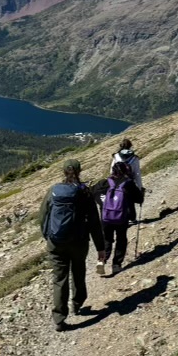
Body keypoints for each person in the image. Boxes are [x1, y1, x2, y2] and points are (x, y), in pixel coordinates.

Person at [39, 159, 105, 332]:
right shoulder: (85, 192)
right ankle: (77, 303)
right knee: (78, 271)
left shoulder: (53, 191)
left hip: (55, 242)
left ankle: (59, 318)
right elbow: (94, 222)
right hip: (78, 242)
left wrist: (48, 236)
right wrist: (100, 247)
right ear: (79, 170)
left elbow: (43, 216)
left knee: (59, 279)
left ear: (63, 172)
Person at [99, 161, 144, 275]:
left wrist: (103, 204)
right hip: (121, 217)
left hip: (106, 217)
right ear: (125, 171)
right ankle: (116, 264)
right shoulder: (128, 183)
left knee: (107, 239)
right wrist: (141, 193)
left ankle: (102, 260)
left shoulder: (104, 183)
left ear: (113, 171)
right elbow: (139, 199)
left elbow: (94, 193)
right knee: (121, 239)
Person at [110, 138, 143, 221]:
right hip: (129, 182)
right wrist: (140, 187)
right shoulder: (134, 158)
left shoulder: (116, 156)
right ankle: (132, 218)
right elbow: (137, 174)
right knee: (130, 200)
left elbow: (111, 170)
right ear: (130, 146)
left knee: (119, 199)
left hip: (117, 182)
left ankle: (120, 217)